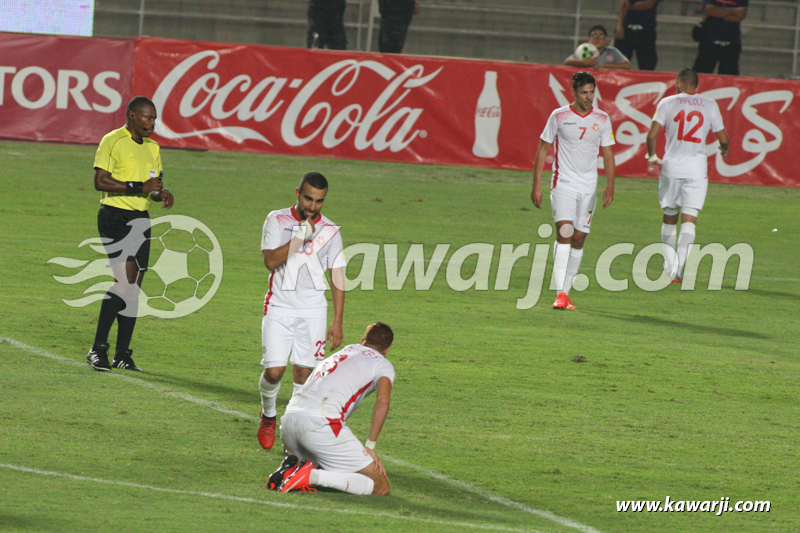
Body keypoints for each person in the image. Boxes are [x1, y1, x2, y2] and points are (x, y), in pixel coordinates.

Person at [86, 96, 174, 373]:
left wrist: (161, 194)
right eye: (148, 118)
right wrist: (140, 187)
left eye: (154, 118)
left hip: (140, 219)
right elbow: (100, 181)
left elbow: (153, 185)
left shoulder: (153, 148)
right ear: (132, 116)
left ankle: (122, 354)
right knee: (123, 282)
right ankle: (97, 348)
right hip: (114, 216)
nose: (153, 123)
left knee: (133, 288)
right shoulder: (112, 140)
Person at [257, 172, 345, 450]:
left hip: (313, 310)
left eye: (319, 201)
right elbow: (270, 261)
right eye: (308, 198)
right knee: (274, 372)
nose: (313, 206)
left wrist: (337, 320)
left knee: (303, 376)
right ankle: (268, 415)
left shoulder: (331, 231)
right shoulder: (277, 219)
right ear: (297, 193)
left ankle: (290, 429)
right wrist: (299, 237)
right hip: (279, 306)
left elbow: (338, 276)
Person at [268, 322, 395, 495]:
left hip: (289, 422)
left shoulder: (345, 351)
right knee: (381, 486)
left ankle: (292, 470)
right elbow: (383, 401)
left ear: (362, 340)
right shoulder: (382, 364)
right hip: (320, 425)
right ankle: (310, 476)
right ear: (387, 349)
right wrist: (370, 446)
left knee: (333, 467)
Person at [531, 71, 616, 310]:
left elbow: (608, 154)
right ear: (574, 92)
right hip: (563, 183)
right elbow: (542, 149)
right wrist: (536, 184)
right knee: (565, 232)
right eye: (584, 93)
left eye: (592, 92)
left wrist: (610, 185)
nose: (589, 97)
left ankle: (566, 292)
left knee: (578, 240)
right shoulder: (559, 116)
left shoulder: (602, 118)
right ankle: (560, 293)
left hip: (588, 187)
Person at [645, 68, 730, 282]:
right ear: (697, 86)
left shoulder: (667, 102)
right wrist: (725, 148)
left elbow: (651, 135)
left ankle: (670, 263)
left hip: (672, 167)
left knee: (670, 216)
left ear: (681, 83)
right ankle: (679, 267)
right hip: (696, 169)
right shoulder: (710, 104)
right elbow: (723, 137)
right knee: (690, 219)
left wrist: (652, 156)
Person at [692, 0, 748, 76]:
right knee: (701, 74)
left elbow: (740, 16)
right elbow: (709, 10)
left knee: (729, 77)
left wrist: (719, 12)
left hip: (731, 42)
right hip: (709, 40)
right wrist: (734, 11)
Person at [615, 0, 659, 71]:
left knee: (647, 63)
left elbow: (647, 5)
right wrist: (620, 25)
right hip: (627, 29)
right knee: (619, 61)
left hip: (646, 30)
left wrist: (628, 7)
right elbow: (624, 3)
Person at [564, 25, 631, 70]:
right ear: (589, 39)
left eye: (601, 36)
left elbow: (626, 65)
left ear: (605, 40)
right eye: (594, 36)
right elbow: (567, 62)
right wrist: (583, 63)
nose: (597, 39)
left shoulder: (612, 51)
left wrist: (604, 65)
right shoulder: (585, 50)